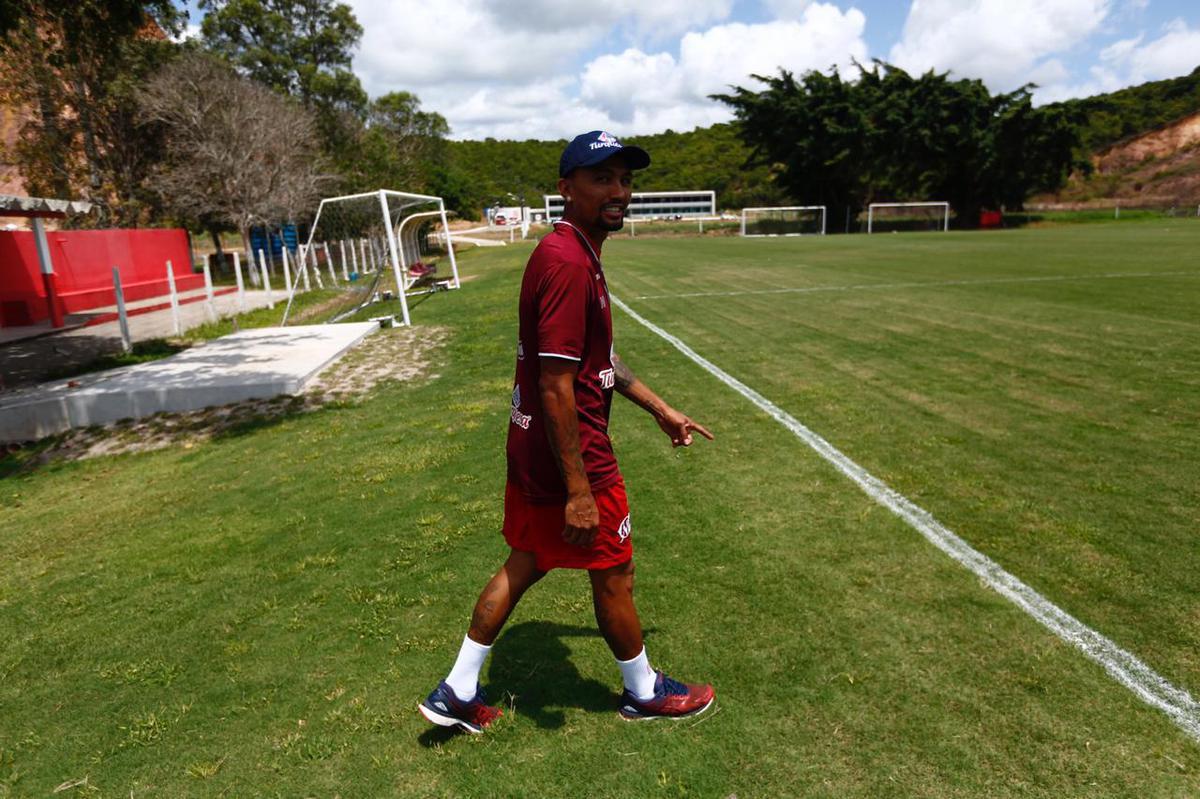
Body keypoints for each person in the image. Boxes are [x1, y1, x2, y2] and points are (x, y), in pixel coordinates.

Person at [419, 130, 715, 734]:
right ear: (566, 189)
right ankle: (644, 691)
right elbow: (558, 386)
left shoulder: (577, 253)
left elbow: (597, 362)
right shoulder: (567, 263)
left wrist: (659, 408)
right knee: (615, 569)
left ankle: (456, 689)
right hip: (573, 452)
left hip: (533, 447)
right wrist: (580, 491)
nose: (618, 192)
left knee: (525, 560)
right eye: (602, 178)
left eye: (625, 180)